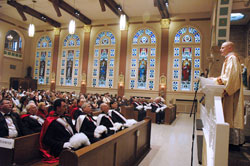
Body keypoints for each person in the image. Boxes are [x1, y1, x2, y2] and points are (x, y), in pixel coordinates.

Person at [216, 41, 244, 149]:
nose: (220, 50)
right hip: (229, 93)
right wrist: (218, 79)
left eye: (223, 48)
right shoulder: (229, 59)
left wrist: (219, 81)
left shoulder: (232, 58)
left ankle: (233, 142)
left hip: (232, 95)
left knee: (231, 115)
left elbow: (232, 78)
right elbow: (227, 76)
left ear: (230, 48)